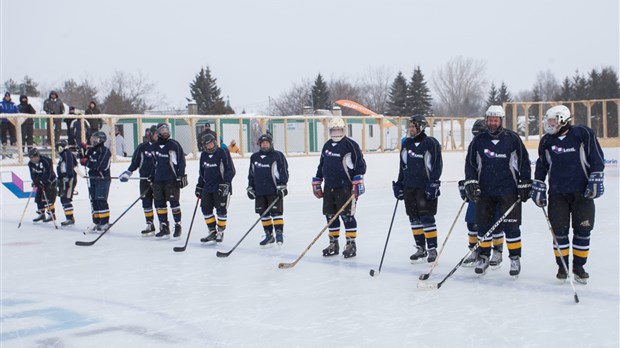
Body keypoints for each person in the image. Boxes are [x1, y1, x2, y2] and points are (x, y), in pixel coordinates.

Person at [531, 105, 605, 284]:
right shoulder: (547, 141)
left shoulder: (582, 134)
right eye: (548, 121)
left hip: (582, 193)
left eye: (553, 121)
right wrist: (538, 185)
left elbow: (596, 158)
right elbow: (542, 165)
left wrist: (596, 178)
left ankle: (579, 266)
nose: (549, 124)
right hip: (557, 194)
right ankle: (562, 266)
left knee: (583, 231)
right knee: (559, 232)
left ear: (563, 119)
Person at [463, 105, 531, 277]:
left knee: (512, 226)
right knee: (483, 226)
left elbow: (523, 162)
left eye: (496, 120)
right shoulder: (478, 140)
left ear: (501, 120)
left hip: (508, 190)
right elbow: (470, 164)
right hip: (485, 191)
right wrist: (471, 181)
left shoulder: (512, 139)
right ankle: (483, 257)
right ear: (486, 120)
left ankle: (515, 258)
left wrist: (525, 183)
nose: (492, 123)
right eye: (490, 119)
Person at [313, 116, 366, 258]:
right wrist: (317, 180)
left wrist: (358, 181)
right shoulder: (327, 145)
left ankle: (350, 244)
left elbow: (360, 165)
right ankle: (333, 243)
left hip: (346, 187)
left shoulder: (351, 145)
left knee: (347, 216)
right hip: (329, 186)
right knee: (330, 216)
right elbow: (322, 165)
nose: (336, 132)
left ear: (343, 129)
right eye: (333, 130)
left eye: (338, 129)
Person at [392, 115, 443, 263]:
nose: (411, 129)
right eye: (410, 126)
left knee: (427, 218)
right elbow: (403, 166)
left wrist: (434, 182)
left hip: (424, 187)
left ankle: (432, 248)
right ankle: (420, 247)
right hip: (409, 187)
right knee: (413, 218)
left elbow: (436, 165)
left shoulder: (430, 143)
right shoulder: (406, 143)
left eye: (413, 126)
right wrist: (400, 183)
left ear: (421, 127)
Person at [461, 119, 506, 268]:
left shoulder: (497, 145)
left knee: (496, 223)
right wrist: (466, 183)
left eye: (479, 134)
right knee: (472, 222)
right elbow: (470, 167)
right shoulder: (474, 146)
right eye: (474, 135)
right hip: (477, 191)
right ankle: (475, 250)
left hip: (494, 191)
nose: (476, 138)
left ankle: (497, 251)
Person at [247, 133, 289, 246]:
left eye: (267, 143)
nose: (265, 145)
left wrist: (283, 185)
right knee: (263, 213)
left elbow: (284, 171)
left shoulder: (277, 155)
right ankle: (269, 235)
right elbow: (251, 174)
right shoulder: (254, 157)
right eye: (262, 143)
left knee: (276, 213)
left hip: (274, 190)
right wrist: (250, 187)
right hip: (260, 191)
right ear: (259, 144)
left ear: (270, 144)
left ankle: (279, 233)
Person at [196, 133, 236, 243]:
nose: (210, 146)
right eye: (207, 145)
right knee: (205, 209)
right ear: (204, 146)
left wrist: (226, 183)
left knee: (221, 210)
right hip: (208, 187)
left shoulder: (222, 152)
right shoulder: (203, 155)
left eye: (211, 143)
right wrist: (199, 185)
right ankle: (212, 231)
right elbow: (202, 172)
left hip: (221, 186)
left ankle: (220, 231)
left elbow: (230, 170)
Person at [119, 125, 158, 236]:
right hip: (144, 180)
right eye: (155, 134)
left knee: (159, 203)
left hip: (157, 181)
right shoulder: (143, 147)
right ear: (150, 134)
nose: (157, 136)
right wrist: (128, 172)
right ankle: (150, 223)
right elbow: (135, 162)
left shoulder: (162, 147)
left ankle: (163, 224)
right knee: (146, 202)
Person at [152, 123, 187, 239]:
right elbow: (153, 163)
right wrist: (151, 176)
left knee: (174, 203)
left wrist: (180, 175)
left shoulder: (174, 145)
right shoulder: (155, 146)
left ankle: (178, 225)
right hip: (158, 180)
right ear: (158, 132)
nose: (165, 131)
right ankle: (163, 226)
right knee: (159, 204)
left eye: (166, 129)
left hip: (171, 180)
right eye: (162, 129)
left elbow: (181, 161)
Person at [80, 131, 112, 233]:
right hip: (92, 178)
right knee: (93, 200)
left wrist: (88, 163)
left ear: (101, 140)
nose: (93, 141)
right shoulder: (92, 150)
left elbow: (100, 166)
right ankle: (96, 221)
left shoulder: (105, 151)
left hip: (102, 179)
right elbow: (83, 159)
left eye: (96, 139)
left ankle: (104, 222)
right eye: (92, 138)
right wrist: (82, 150)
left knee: (100, 200)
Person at [27, 148, 58, 223]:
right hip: (40, 182)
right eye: (31, 158)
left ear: (38, 156)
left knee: (48, 199)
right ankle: (41, 214)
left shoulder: (46, 161)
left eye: (34, 157)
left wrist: (43, 180)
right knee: (38, 198)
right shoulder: (30, 164)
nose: (33, 159)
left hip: (50, 182)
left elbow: (48, 173)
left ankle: (51, 214)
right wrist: (35, 181)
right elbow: (32, 174)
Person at [56, 139, 78, 226]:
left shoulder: (67, 153)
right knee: (63, 197)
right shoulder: (63, 155)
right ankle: (68, 217)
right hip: (63, 178)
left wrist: (68, 176)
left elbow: (70, 164)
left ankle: (70, 218)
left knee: (66, 198)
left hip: (69, 178)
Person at [1, 92, 18, 157]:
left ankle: (13, 142)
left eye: (8, 96)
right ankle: (4, 142)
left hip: (11, 121)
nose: (7, 97)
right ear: (5, 97)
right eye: (6, 96)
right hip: (4, 120)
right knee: (3, 131)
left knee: (12, 131)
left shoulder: (13, 104)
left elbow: (17, 111)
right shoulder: (1, 103)